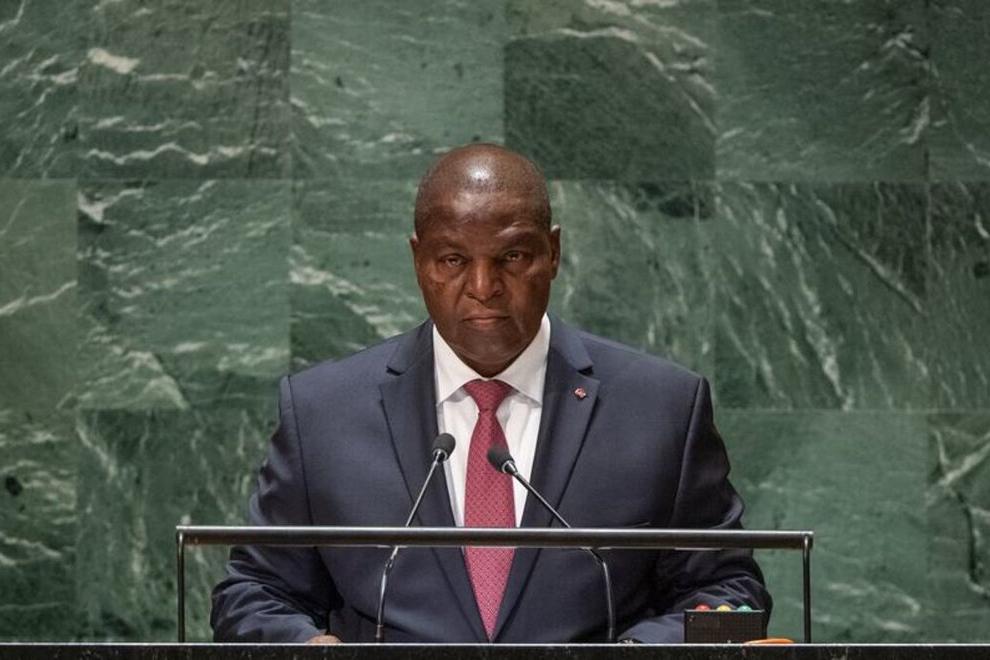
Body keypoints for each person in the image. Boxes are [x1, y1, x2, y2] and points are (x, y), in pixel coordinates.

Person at [211, 143, 770, 644]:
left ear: (553, 253)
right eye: (453, 260)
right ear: (419, 261)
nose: (483, 288)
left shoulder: (661, 408)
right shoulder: (323, 413)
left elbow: (731, 594)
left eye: (513, 257)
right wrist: (310, 648)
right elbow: (254, 593)